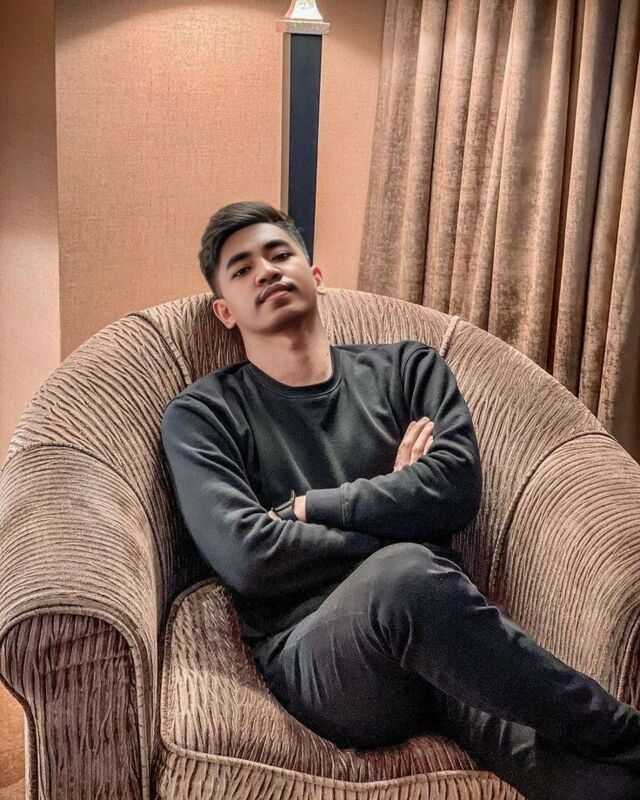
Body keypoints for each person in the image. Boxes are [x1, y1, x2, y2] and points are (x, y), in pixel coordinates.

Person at [161, 200, 640, 799]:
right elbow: (249, 556)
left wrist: (308, 507)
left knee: (602, 782)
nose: (266, 270)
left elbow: (456, 488)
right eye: (242, 268)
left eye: (280, 253)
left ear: (315, 275)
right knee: (405, 574)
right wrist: (403, 511)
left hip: (447, 638)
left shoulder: (410, 368)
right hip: (322, 661)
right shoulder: (202, 415)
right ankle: (625, 732)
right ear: (225, 311)